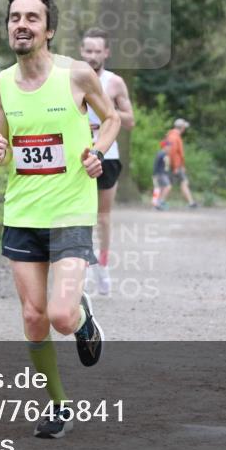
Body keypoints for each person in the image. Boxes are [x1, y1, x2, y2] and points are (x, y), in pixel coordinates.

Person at [0, 0, 120, 439]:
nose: (21, 24)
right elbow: (5, 147)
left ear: (49, 30)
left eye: (32, 18)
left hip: (69, 212)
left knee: (60, 316)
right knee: (33, 316)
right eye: (14, 17)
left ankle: (82, 320)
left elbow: (113, 118)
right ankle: (60, 406)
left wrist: (97, 150)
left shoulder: (78, 75)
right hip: (23, 214)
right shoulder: (1, 84)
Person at [80, 27, 134, 295]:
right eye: (87, 50)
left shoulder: (114, 82)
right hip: (79, 156)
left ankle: (102, 265)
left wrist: (106, 116)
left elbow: (130, 120)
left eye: (97, 51)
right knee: (81, 216)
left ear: (106, 53)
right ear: (81, 51)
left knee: (102, 217)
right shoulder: (72, 79)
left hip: (108, 156)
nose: (92, 56)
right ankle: (84, 270)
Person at [165, 118, 198, 208]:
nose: (184, 130)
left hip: (174, 164)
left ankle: (191, 202)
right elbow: (172, 153)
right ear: (182, 128)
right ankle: (160, 201)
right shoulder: (174, 137)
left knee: (170, 184)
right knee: (174, 183)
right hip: (176, 165)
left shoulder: (170, 135)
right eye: (184, 127)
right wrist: (176, 166)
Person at [151, 139, 172, 210]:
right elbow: (157, 164)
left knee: (159, 189)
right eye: (169, 146)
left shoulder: (163, 154)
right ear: (164, 146)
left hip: (162, 174)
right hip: (160, 174)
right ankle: (161, 202)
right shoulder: (162, 154)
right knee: (167, 187)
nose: (170, 148)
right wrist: (155, 175)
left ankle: (156, 203)